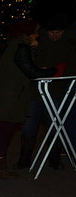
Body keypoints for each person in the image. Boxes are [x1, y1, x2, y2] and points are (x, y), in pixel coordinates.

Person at [0, 19, 62, 179]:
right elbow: (31, 72)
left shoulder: (14, 46)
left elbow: (24, 67)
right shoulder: (21, 48)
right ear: (27, 33)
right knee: (5, 129)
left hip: (5, 95)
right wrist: (54, 70)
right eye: (34, 31)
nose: (37, 34)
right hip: (12, 96)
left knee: (0, 129)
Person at [17, 13, 76, 170]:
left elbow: (71, 66)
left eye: (58, 32)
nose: (55, 35)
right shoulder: (37, 41)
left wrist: (54, 72)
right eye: (52, 32)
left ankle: (55, 159)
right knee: (29, 126)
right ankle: (24, 159)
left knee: (55, 126)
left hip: (57, 92)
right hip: (35, 92)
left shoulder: (70, 44)